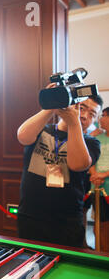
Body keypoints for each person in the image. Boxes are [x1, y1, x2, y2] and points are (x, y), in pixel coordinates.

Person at [16, 88, 102, 248]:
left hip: (67, 221)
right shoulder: (42, 129)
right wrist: (52, 104)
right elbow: (22, 136)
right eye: (81, 108)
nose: (84, 116)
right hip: (30, 215)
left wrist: (74, 122)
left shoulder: (91, 142)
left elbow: (77, 164)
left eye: (92, 114)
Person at [89, 106, 109, 251]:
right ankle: (100, 254)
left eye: (104, 115)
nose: (100, 119)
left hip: (106, 183)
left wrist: (104, 175)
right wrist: (94, 173)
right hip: (96, 186)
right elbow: (90, 158)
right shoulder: (97, 137)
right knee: (99, 223)